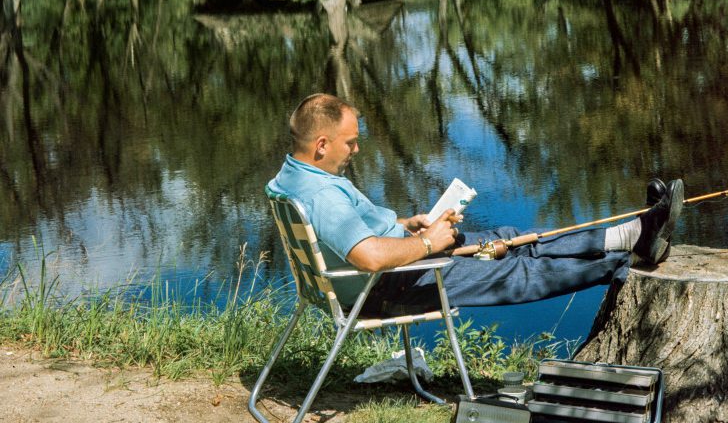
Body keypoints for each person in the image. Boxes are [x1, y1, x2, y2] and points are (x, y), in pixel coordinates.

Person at [267, 93, 685, 316]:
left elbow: (350, 233)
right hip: (390, 286)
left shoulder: (293, 177)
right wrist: (428, 245)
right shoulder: (322, 193)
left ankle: (633, 232)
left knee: (510, 238)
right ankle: (623, 260)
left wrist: (406, 224)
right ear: (322, 145)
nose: (356, 148)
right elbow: (370, 256)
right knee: (514, 271)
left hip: (399, 265)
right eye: (350, 141)